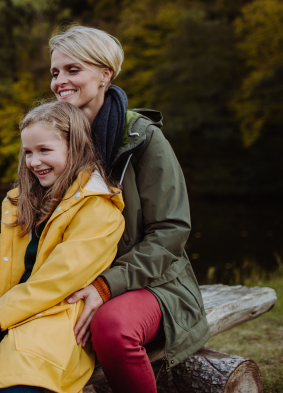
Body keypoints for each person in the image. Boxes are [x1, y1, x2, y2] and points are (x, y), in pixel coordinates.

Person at [48, 25, 210, 392]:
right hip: (72, 278)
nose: (60, 81)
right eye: (55, 72)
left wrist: (106, 286)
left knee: (111, 328)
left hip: (156, 283)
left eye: (73, 70)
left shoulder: (143, 138)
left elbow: (170, 232)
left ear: (106, 74)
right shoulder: (50, 139)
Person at [0, 101, 126, 392]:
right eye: (28, 152)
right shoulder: (22, 202)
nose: (34, 162)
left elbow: (56, 282)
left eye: (44, 150)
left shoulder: (99, 210)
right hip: (1, 312)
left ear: (75, 147)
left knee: (18, 383)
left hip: (52, 322)